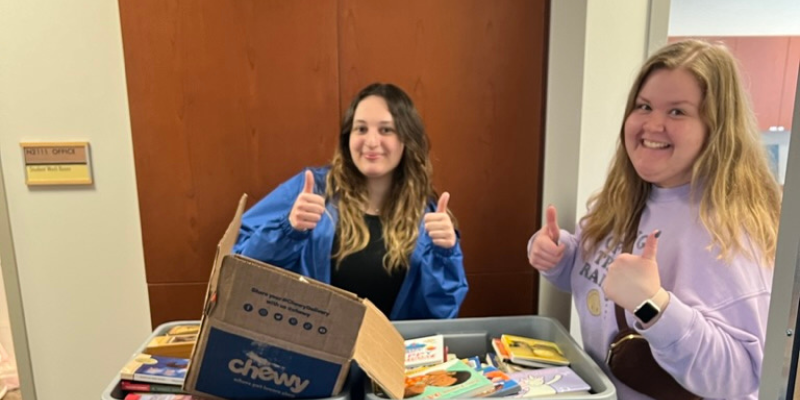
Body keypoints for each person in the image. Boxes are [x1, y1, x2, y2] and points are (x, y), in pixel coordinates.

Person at [527, 39, 781, 399]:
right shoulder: (625, 196)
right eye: (644, 106)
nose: (653, 124)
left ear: (716, 129)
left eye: (677, 112)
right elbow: (599, 282)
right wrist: (562, 256)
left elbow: (740, 379)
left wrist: (654, 306)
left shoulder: (730, 233)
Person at [234, 82, 468, 320]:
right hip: (312, 346)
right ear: (348, 137)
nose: (372, 142)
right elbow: (238, 263)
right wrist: (288, 230)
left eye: (386, 130)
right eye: (361, 129)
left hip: (390, 351)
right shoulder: (311, 191)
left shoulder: (427, 216)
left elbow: (441, 314)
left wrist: (444, 256)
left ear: (406, 138)